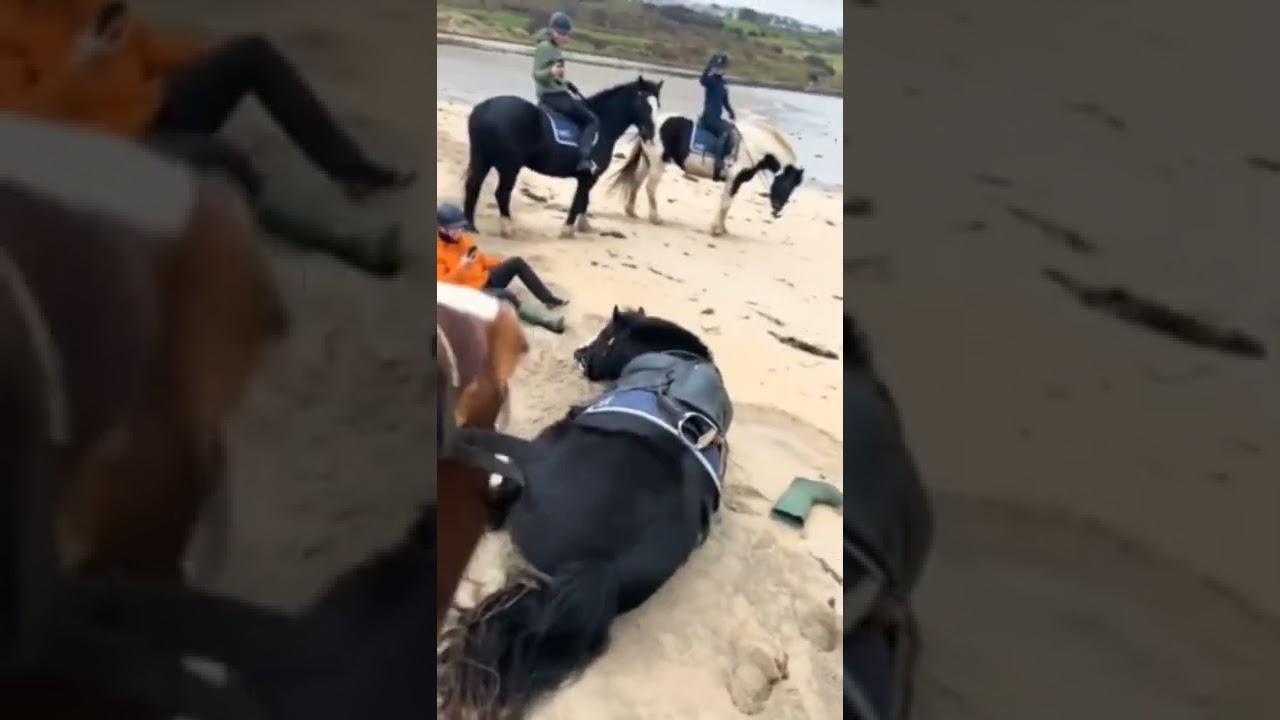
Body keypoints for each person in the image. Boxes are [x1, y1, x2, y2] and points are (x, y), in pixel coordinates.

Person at [0, 0, 415, 200]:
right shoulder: (8, 27)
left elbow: (144, 47)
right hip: (113, 146)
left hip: (157, 104)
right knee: (224, 162)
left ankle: (353, 173)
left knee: (252, 53)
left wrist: (214, 57)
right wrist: (79, 67)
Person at [436, 202, 567, 310]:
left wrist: (503, 264)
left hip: (484, 279)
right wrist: (461, 267)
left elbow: (481, 259)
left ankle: (549, 300)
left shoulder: (464, 240)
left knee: (517, 262)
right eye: (454, 229)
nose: (458, 231)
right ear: (441, 228)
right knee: (507, 296)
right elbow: (443, 287)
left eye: (460, 227)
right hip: (469, 292)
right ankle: (532, 318)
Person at [531, 11, 599, 175]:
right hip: (553, 97)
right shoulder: (544, 47)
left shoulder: (554, 48)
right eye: (562, 34)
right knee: (591, 120)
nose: (565, 38)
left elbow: (554, 77)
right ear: (553, 31)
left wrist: (565, 83)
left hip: (558, 92)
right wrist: (551, 72)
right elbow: (536, 74)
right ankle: (584, 159)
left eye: (567, 35)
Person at [698, 52, 737, 181]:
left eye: (722, 67)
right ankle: (717, 164)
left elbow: (725, 102)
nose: (720, 69)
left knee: (733, 129)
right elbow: (702, 79)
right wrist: (709, 65)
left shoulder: (723, 84)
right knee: (726, 131)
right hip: (709, 118)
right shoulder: (710, 80)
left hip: (717, 118)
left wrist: (731, 112)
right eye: (718, 66)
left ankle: (727, 158)